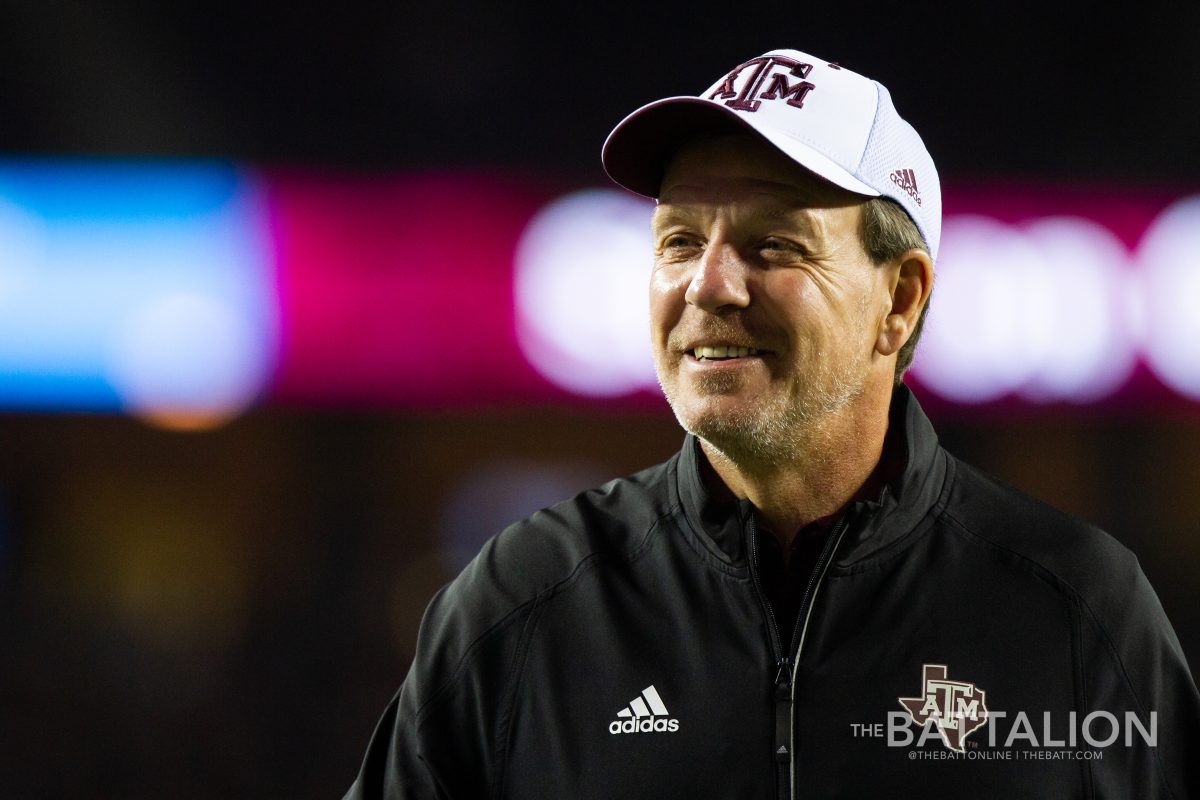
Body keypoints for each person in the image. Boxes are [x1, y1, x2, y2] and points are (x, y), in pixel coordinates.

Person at [343, 48, 1200, 798]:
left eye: (773, 245)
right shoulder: (521, 600)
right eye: (679, 240)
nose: (708, 284)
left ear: (897, 301)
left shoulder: (1078, 612)